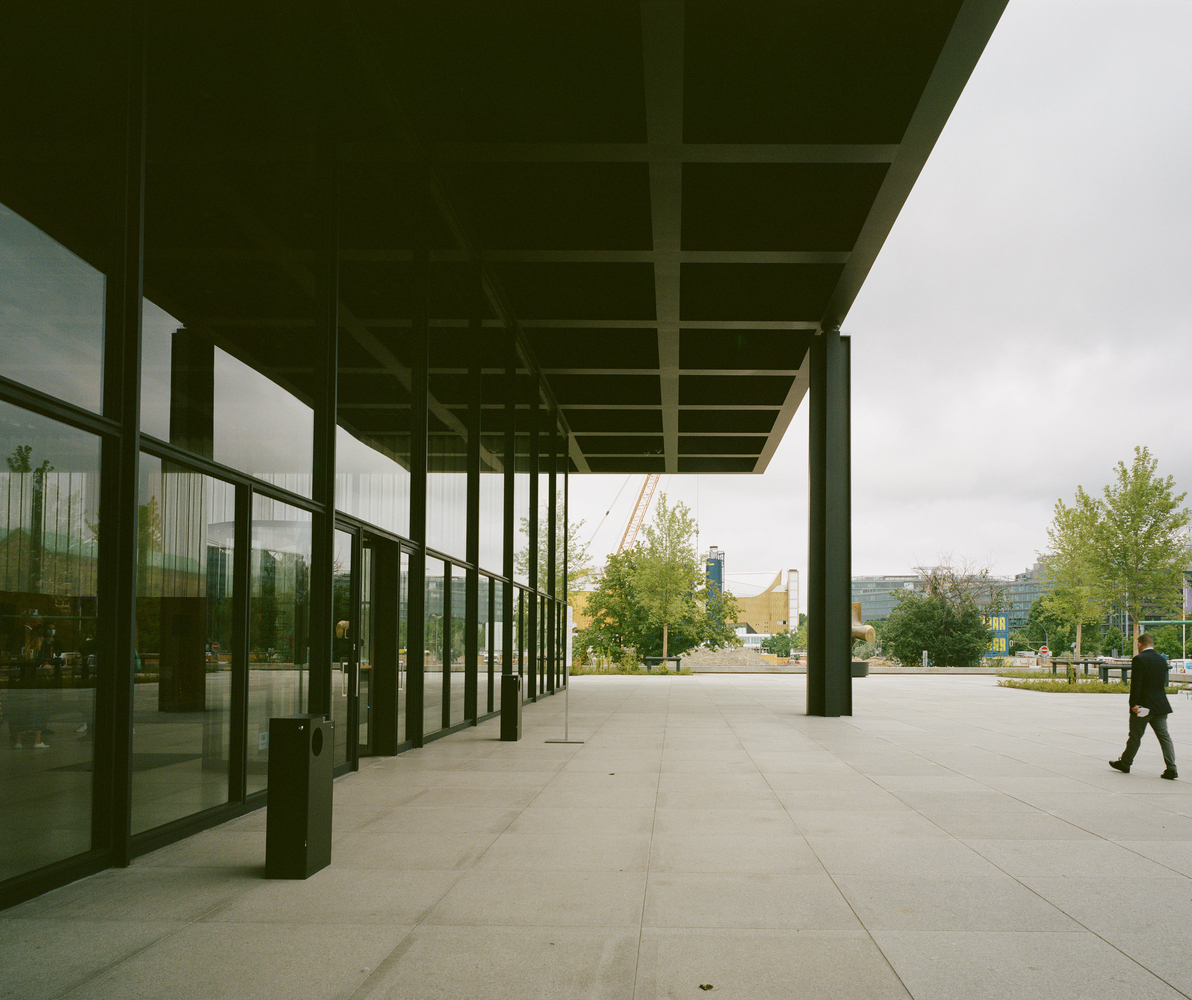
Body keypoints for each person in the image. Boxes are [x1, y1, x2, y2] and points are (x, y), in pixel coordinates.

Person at [1110, 632, 1177, 779]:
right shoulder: (1162, 659)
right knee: (1164, 737)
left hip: (1143, 707)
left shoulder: (1139, 659)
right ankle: (1171, 768)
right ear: (1152, 644)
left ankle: (1126, 763)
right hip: (1160, 705)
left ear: (1139, 644)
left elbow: (1136, 684)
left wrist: (1133, 704)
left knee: (1135, 736)